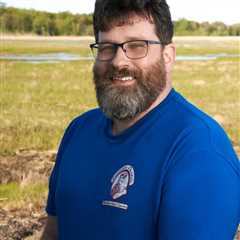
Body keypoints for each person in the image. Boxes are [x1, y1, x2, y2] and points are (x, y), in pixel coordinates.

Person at [41, 0, 240, 239]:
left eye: (137, 46)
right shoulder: (79, 130)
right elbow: (53, 233)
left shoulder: (200, 153)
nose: (118, 61)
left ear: (168, 56)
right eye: (106, 47)